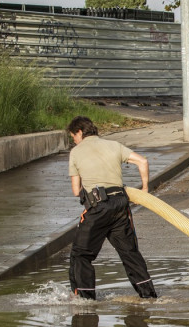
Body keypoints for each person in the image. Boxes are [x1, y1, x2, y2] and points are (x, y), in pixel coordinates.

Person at [67, 116, 157, 299]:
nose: (74, 141)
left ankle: (85, 301)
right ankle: (149, 297)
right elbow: (143, 162)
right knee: (130, 253)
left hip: (97, 208)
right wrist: (145, 189)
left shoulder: (76, 152)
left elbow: (76, 191)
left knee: (81, 254)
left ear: (79, 132)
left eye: (73, 137)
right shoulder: (114, 145)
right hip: (121, 205)